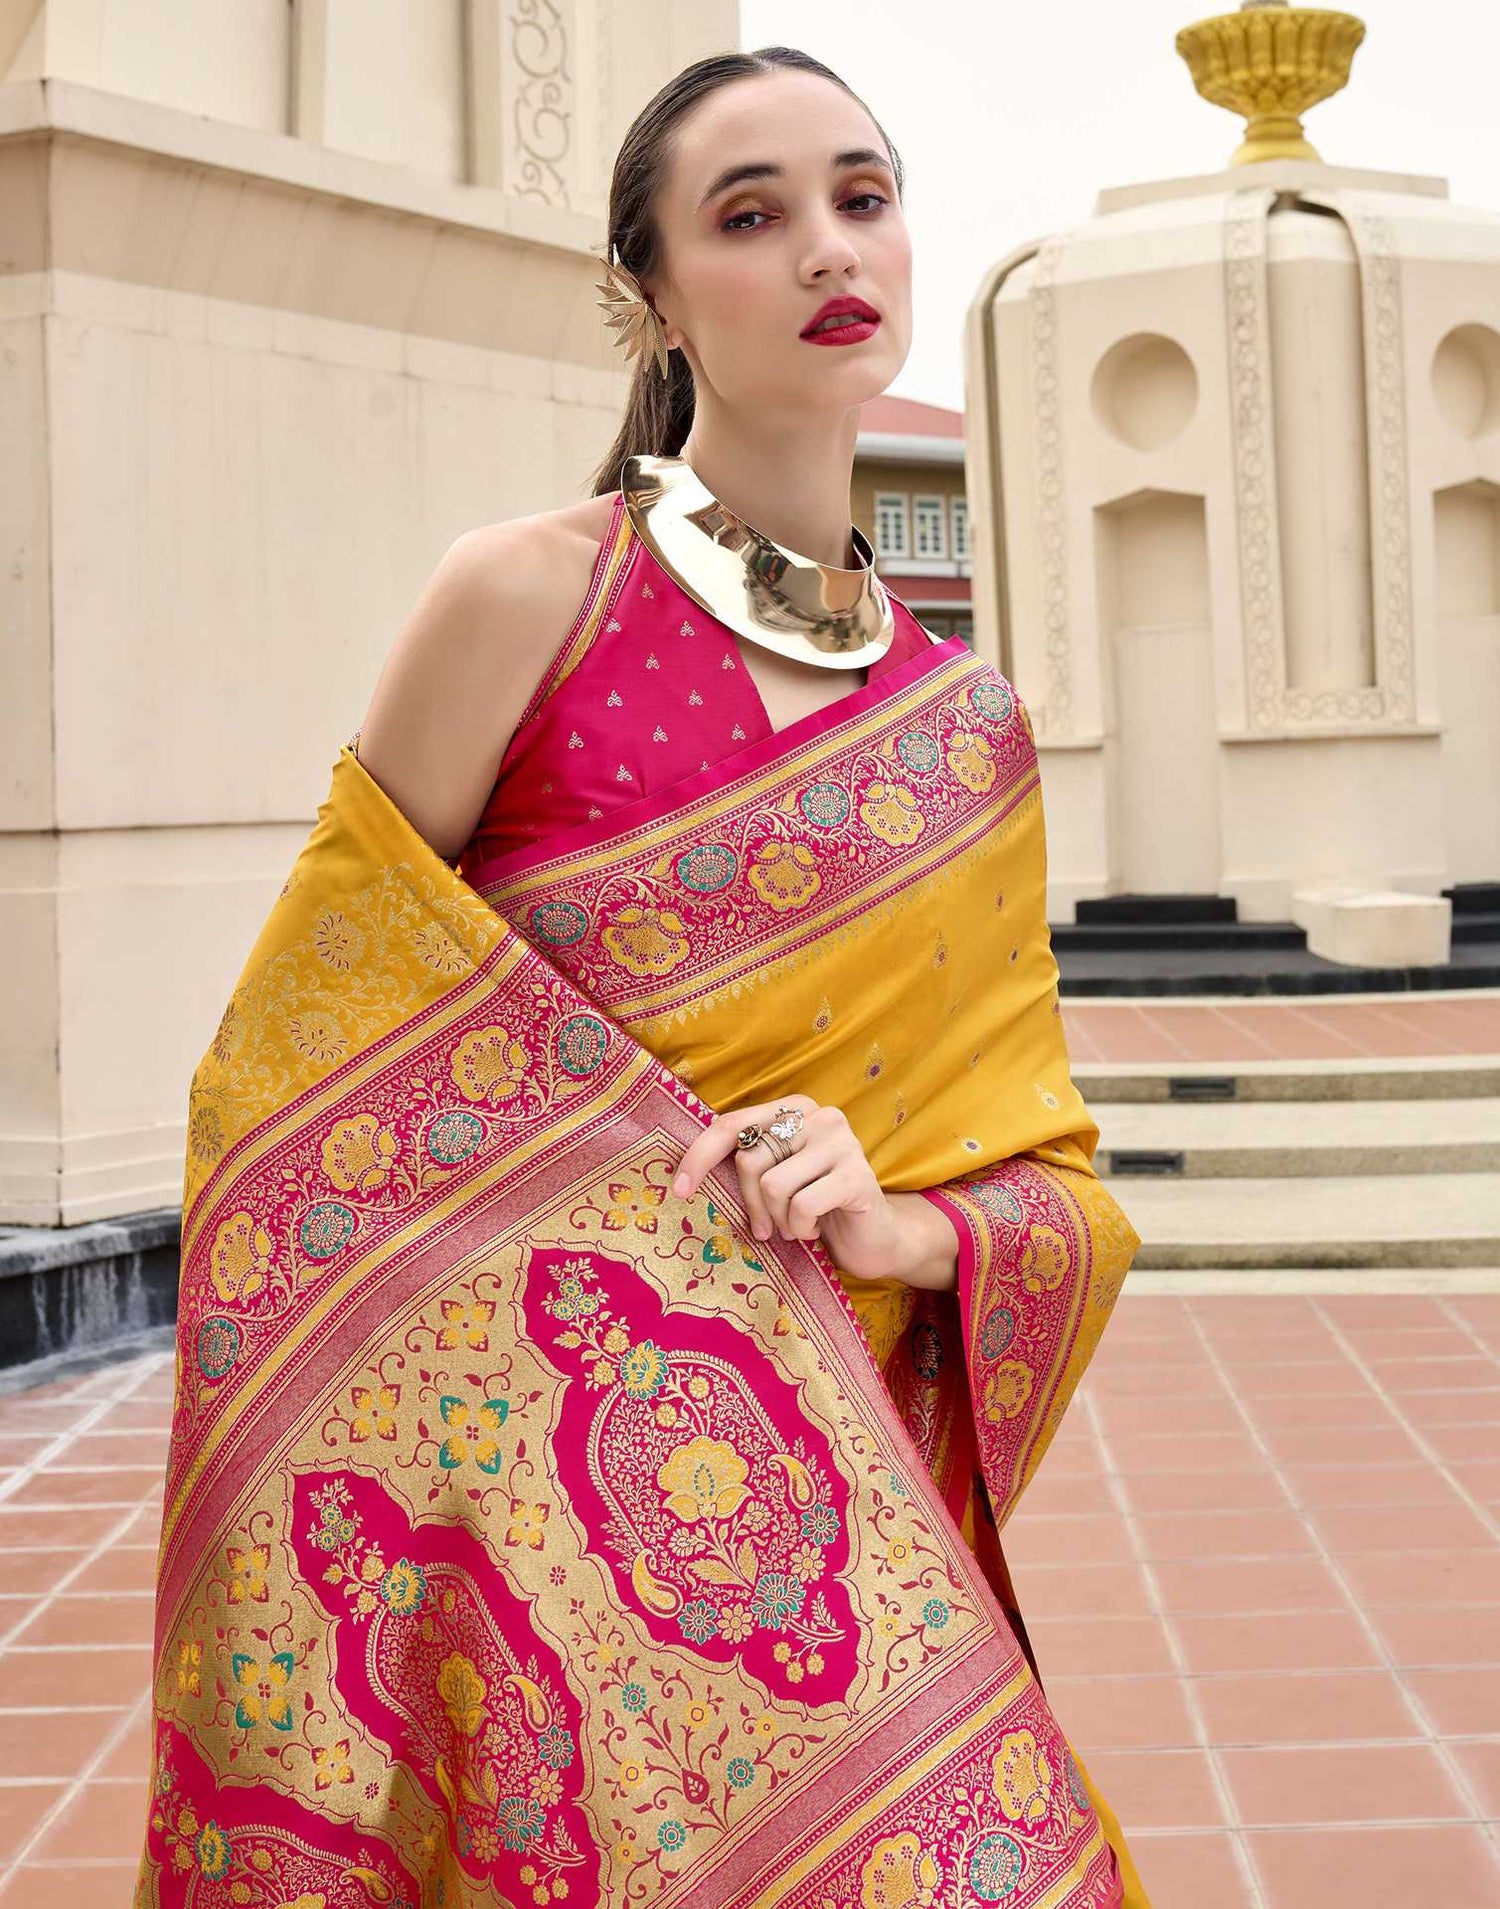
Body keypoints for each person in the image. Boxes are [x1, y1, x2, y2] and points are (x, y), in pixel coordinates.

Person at [135, 45, 1149, 1909]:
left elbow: (1054, 1190)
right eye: (749, 217)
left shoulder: (964, 734)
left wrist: (897, 1228)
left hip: (816, 1539)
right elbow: (291, 1085)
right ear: (654, 295)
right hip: (514, 1520)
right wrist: (590, 1240)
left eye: (865, 194)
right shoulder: (529, 598)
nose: (829, 248)